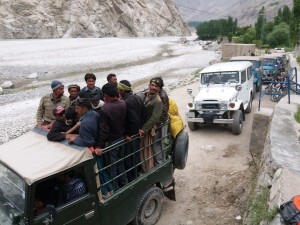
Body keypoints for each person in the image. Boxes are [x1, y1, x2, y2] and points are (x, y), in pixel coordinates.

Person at [94, 83, 127, 191]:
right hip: (121, 138)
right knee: (120, 163)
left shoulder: (105, 109)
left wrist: (99, 146)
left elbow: (104, 130)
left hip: (112, 141)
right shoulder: (123, 103)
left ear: (106, 95)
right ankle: (124, 183)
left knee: (112, 166)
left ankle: (116, 189)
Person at [118, 80, 144, 182]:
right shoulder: (136, 97)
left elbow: (133, 120)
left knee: (129, 160)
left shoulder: (127, 102)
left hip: (132, 135)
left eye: (119, 89)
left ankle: (133, 179)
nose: (118, 91)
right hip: (137, 132)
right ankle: (136, 175)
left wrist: (128, 134)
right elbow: (142, 114)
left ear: (123, 90)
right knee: (135, 156)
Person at [137, 78, 163, 171]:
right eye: (152, 85)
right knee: (142, 149)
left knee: (147, 151)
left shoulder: (158, 101)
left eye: (156, 86)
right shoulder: (146, 95)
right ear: (149, 85)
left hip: (147, 130)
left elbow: (155, 118)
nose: (153, 87)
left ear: (159, 89)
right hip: (143, 126)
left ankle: (149, 170)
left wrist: (144, 129)